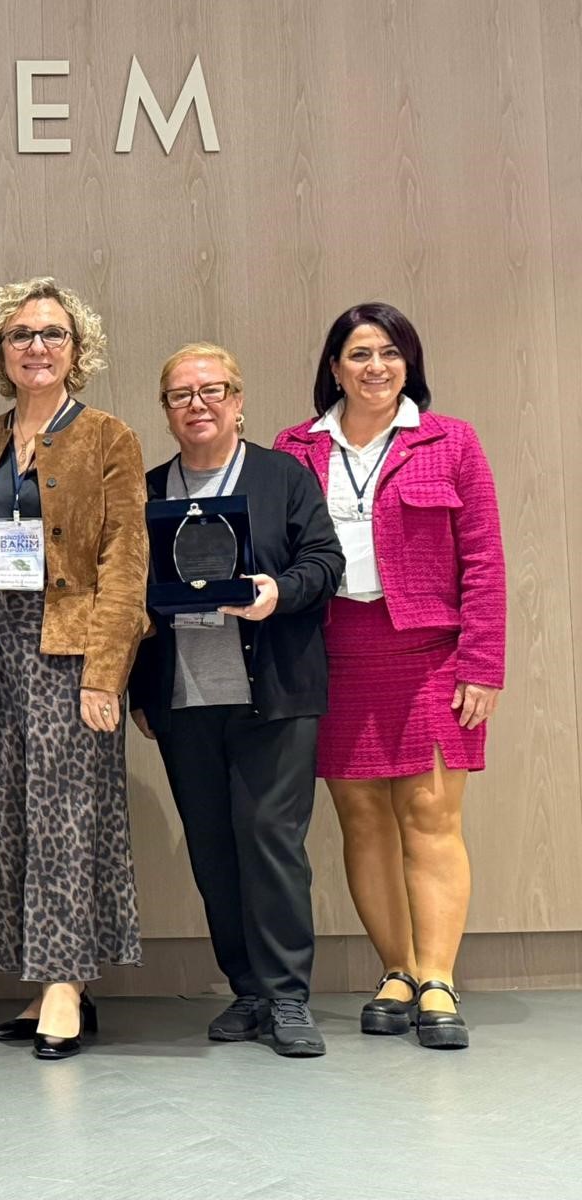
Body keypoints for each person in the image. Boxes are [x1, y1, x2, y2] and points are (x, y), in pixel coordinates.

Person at [275, 303, 505, 1050]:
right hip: (333, 653)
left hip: (431, 655)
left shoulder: (450, 441)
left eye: (390, 353)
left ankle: (438, 979)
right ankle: (397, 971)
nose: (376, 367)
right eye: (359, 354)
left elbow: (484, 559)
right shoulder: (295, 448)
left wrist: (482, 663)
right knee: (363, 819)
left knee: (431, 818)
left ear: (410, 364)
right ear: (334, 368)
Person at [127, 343, 344, 1057]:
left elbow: (326, 562)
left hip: (274, 693)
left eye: (212, 390)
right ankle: (247, 989)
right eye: (181, 394)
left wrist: (279, 591)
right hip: (184, 697)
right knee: (213, 847)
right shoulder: (147, 490)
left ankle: (287, 997)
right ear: (166, 410)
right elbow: (129, 596)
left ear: (239, 400)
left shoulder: (284, 478)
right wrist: (140, 691)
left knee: (271, 840)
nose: (198, 404)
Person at [0, 276, 148, 1061]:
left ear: (77, 348)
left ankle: (68, 983)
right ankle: (45, 979)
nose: (37, 347)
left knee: (67, 811)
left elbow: (126, 564)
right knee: (16, 810)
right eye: (21, 335)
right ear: (0, 351)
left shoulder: (109, 437)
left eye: (52, 334)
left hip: (73, 648)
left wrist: (106, 673)